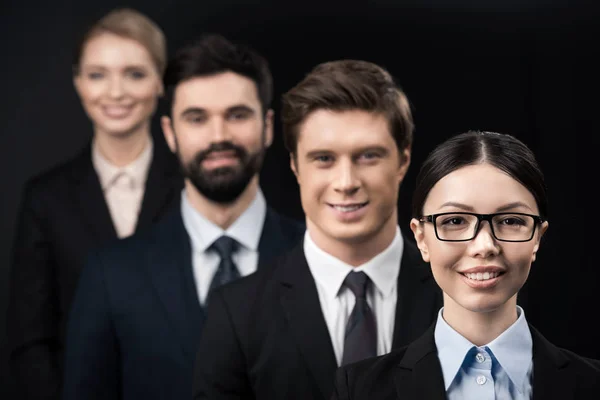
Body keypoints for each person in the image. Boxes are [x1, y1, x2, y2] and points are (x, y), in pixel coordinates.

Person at [60, 33, 304, 400]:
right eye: (196, 118)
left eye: (237, 115)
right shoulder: (110, 274)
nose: (218, 136)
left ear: (268, 127)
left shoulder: (317, 257)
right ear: (170, 133)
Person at [192, 59, 442, 400]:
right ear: (295, 165)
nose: (346, 182)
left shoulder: (460, 294)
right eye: (323, 158)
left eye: (368, 156)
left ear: (403, 159)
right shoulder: (237, 314)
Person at [331, 130, 600, 400]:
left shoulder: (592, 383)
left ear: (537, 238)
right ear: (421, 238)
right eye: (455, 221)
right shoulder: (360, 389)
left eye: (510, 221)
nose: (484, 246)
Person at [6, 8, 183, 399]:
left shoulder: (195, 187)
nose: (115, 92)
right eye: (97, 74)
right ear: (78, 82)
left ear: (160, 81)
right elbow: (29, 339)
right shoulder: (45, 198)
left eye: (134, 74)